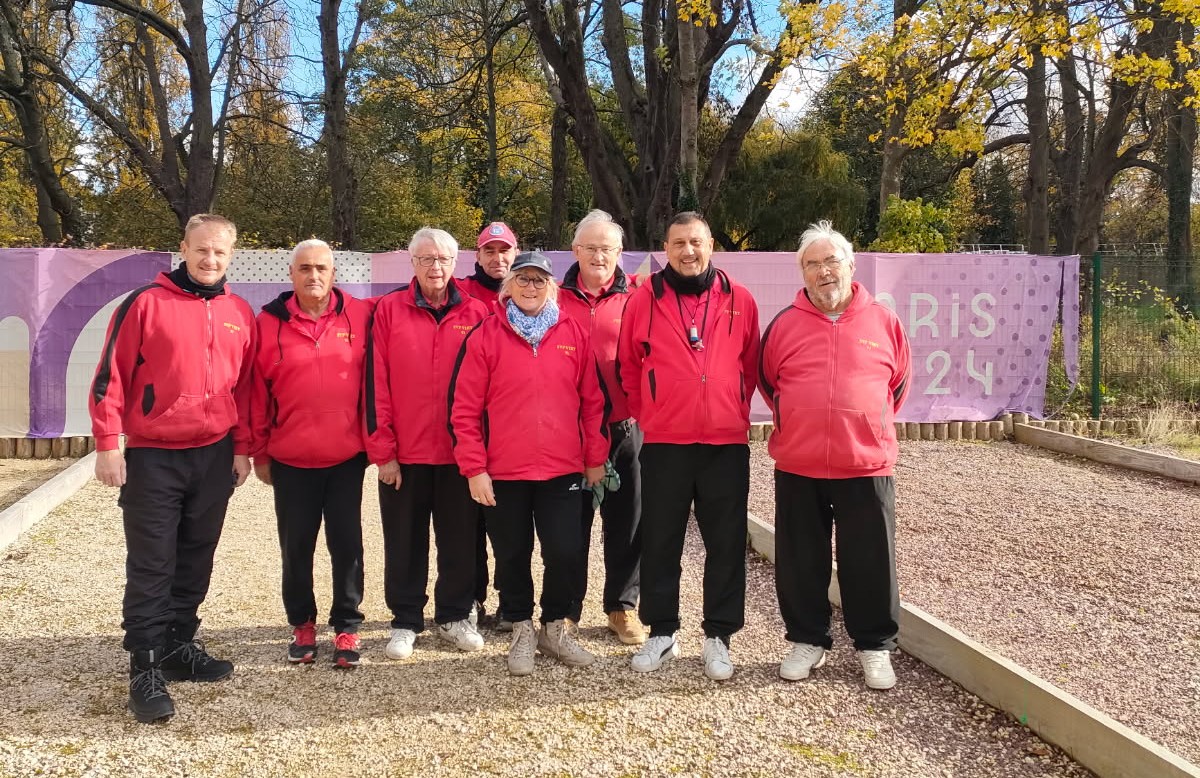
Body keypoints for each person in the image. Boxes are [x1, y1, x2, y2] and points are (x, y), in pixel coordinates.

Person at [90, 213, 255, 724]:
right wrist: (107, 443)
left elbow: (247, 387)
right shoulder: (145, 303)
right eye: (201, 250)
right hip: (154, 453)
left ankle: (178, 646)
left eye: (220, 253)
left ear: (231, 256)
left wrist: (242, 447)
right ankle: (144, 664)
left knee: (196, 556)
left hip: (213, 453)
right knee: (152, 561)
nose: (209, 260)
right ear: (183, 248)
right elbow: (109, 376)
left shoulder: (238, 311)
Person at [758, 220, 911, 690]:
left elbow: (897, 385)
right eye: (812, 264)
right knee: (801, 558)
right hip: (799, 464)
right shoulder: (783, 325)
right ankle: (808, 639)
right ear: (802, 273)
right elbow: (769, 385)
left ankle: (874, 646)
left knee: (870, 559)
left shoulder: (884, 321)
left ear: (850, 265)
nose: (823, 271)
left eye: (831, 261)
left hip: (865, 463)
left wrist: (863, 424)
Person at [449, 250, 608, 676]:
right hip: (505, 472)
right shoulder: (486, 335)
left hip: (562, 469)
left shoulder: (573, 331)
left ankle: (553, 628)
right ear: (509, 286)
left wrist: (595, 459)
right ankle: (520, 626)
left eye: (540, 280)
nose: (531, 288)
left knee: (565, 551)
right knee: (512, 554)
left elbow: (592, 404)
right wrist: (474, 468)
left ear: (552, 286)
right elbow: (464, 409)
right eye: (523, 280)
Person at [617, 211, 760, 681]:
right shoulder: (643, 300)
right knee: (661, 539)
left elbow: (751, 364)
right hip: (665, 442)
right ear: (666, 247)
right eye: (678, 243)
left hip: (724, 443)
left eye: (695, 242)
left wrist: (733, 403)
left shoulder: (740, 298)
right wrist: (653, 412)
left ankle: (719, 635)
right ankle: (663, 630)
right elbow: (628, 365)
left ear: (711, 245)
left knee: (725, 543)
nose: (687, 251)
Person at [366, 228, 491, 661]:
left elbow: (488, 387)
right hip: (405, 454)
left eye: (442, 259)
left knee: (459, 540)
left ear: (455, 263)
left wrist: (479, 455)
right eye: (426, 259)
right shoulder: (388, 311)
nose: (435, 267)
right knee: (404, 541)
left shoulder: (478, 312)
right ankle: (405, 620)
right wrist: (384, 451)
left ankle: (455, 614)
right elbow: (374, 384)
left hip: (459, 454)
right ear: (411, 262)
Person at [248, 239, 373, 669]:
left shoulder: (362, 315)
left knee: (347, 544)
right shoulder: (267, 323)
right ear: (291, 274)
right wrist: (259, 452)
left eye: (321, 267)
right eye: (304, 268)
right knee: (296, 546)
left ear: (334, 273)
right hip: (290, 459)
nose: (313, 276)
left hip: (345, 457)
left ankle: (347, 625)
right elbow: (256, 394)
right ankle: (302, 623)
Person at [559, 209, 646, 645]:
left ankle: (621, 607)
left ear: (619, 254)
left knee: (627, 522)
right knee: (571, 524)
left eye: (606, 249)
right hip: (568, 430)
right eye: (590, 248)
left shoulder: (638, 298)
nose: (598, 255)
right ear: (575, 251)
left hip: (624, 426)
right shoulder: (552, 297)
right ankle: (567, 610)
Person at [456, 221, 519, 624]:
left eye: (504, 251)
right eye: (489, 251)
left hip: (509, 429)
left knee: (510, 526)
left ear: (515, 254)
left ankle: (511, 602)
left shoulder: (528, 291)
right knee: (469, 523)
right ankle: (473, 599)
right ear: (477, 256)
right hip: (469, 423)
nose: (498, 259)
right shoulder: (461, 294)